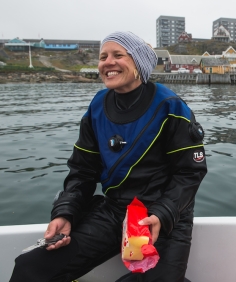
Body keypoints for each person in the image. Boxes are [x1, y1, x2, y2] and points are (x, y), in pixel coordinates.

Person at [10, 31, 207, 282]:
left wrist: (163, 212)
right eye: (103, 57)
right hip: (115, 211)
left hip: (163, 219)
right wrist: (65, 213)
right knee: (32, 266)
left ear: (139, 63)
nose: (107, 62)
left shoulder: (171, 107)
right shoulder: (97, 107)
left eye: (118, 55)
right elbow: (82, 170)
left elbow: (190, 172)